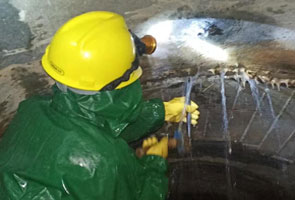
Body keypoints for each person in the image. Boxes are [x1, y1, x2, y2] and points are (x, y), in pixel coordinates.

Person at [0, 11, 199, 199]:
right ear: (123, 85)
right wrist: (154, 161)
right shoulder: (104, 162)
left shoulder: (32, 109)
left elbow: (93, 125)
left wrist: (161, 111)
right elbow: (143, 195)